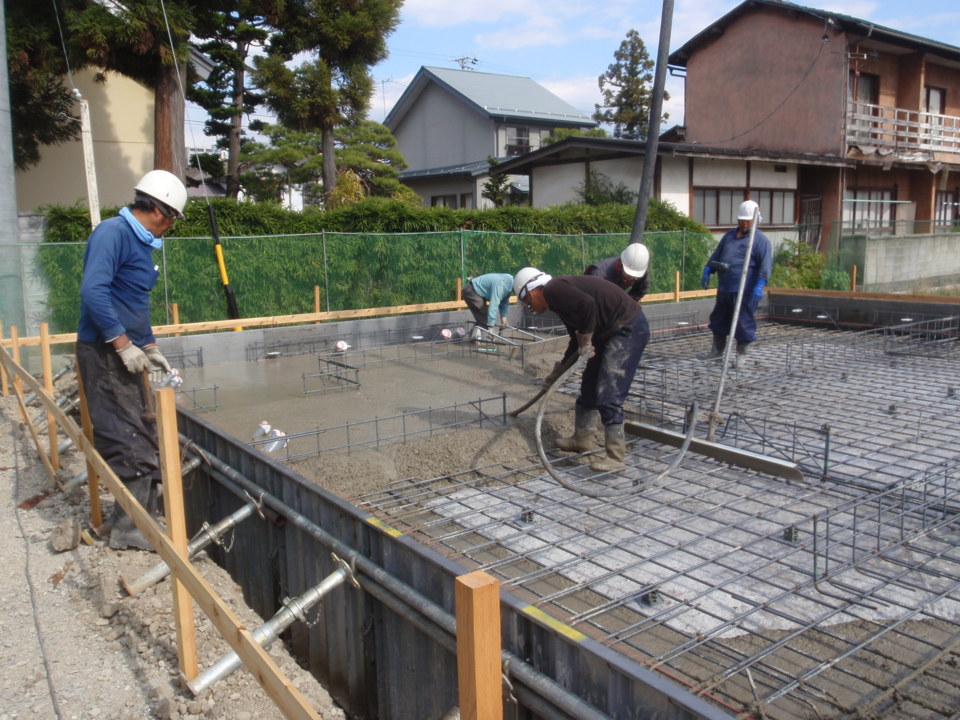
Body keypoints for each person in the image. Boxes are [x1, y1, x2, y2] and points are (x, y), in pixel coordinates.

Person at [76, 170, 187, 551]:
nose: (170, 227)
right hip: (106, 353)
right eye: (171, 218)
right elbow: (94, 291)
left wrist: (149, 345)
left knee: (141, 430)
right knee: (129, 439)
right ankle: (128, 530)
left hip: (123, 351)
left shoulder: (141, 245)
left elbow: (133, 302)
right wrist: (123, 344)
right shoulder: (113, 233)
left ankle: (137, 519)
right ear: (158, 209)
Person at [514, 267, 650, 472]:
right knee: (589, 385)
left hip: (627, 328)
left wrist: (586, 338)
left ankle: (616, 456)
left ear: (531, 292)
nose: (530, 307)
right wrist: (558, 371)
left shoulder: (553, 289)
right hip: (609, 332)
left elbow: (588, 305)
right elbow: (574, 339)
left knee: (608, 390)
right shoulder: (558, 299)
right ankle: (582, 439)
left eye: (527, 303)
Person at [700, 199, 773, 361]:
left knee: (743, 322)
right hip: (725, 288)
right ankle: (716, 353)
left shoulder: (760, 241)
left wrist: (760, 285)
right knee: (719, 319)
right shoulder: (729, 236)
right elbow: (716, 256)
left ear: (756, 220)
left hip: (745, 291)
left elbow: (765, 265)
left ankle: (741, 356)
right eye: (742, 220)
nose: (745, 223)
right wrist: (708, 269)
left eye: (748, 220)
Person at [584, 243, 650, 302]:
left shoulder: (639, 270)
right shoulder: (599, 274)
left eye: (635, 276)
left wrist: (626, 304)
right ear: (622, 263)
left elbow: (641, 290)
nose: (632, 277)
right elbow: (590, 301)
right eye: (629, 273)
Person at [462, 273, 514, 341]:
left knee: (483, 317)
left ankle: (475, 336)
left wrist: (503, 316)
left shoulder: (509, 282)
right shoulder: (501, 284)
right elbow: (493, 305)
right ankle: (480, 338)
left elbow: (504, 300)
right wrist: (491, 327)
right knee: (485, 316)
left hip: (478, 292)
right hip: (472, 290)